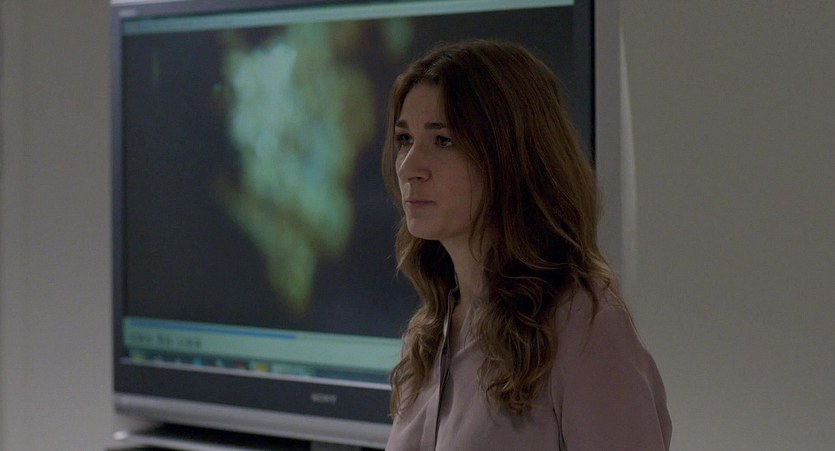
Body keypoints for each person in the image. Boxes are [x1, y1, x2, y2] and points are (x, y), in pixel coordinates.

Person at [381, 39, 672, 450]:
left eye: (442, 140)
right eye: (404, 139)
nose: (409, 167)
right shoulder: (426, 337)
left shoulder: (583, 329)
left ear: (510, 156)